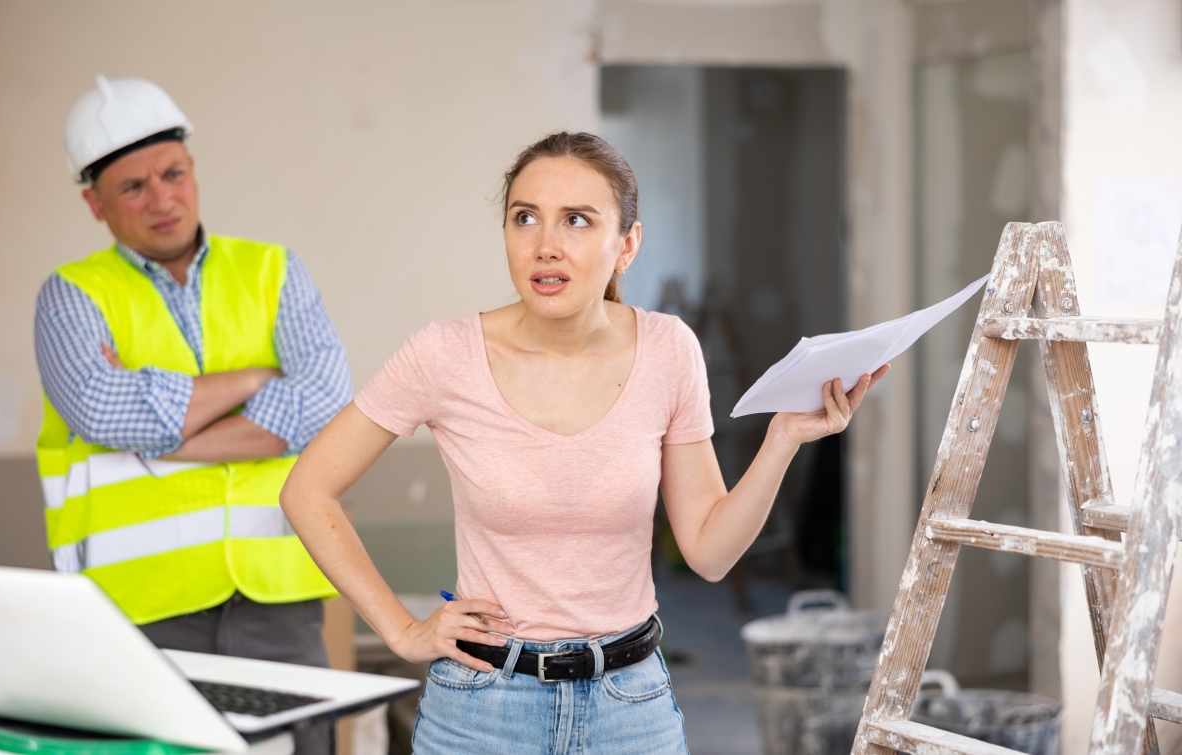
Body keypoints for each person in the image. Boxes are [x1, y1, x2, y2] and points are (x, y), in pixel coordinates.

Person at [280, 131, 886, 753]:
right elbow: (308, 489)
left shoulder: (669, 349)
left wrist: (783, 438)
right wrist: (402, 630)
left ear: (627, 245)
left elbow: (708, 552)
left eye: (576, 220)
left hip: (629, 710)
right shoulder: (445, 353)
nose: (546, 246)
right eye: (525, 218)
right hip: (482, 710)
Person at [34, 76, 351, 754]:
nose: (162, 198)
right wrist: (257, 378)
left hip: (280, 601)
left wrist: (162, 436)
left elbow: (324, 399)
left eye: (172, 173)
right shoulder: (70, 296)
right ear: (94, 203)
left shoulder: (273, 270)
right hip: (140, 610)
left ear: (192, 169)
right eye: (132, 187)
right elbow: (102, 409)